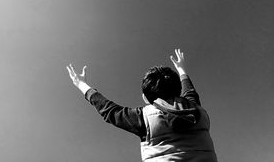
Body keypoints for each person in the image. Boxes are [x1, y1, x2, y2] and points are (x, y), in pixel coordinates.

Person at [66, 49, 218, 162]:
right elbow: (190, 91)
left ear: (145, 98)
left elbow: (109, 111)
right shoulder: (197, 110)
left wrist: (81, 84)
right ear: (178, 91)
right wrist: (182, 69)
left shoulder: (144, 118)